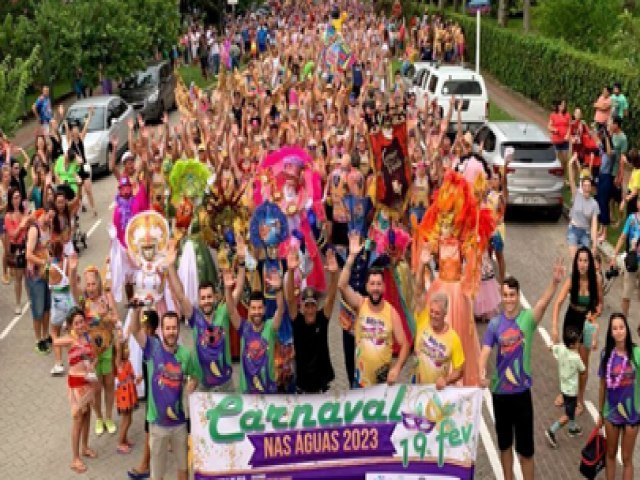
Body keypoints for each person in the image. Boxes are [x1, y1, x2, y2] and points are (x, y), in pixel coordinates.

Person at [479, 259, 565, 480]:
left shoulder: (527, 319)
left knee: (526, 451)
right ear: (501, 296)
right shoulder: (494, 324)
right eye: (505, 295)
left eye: (512, 295)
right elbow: (485, 351)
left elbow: (543, 304)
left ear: (518, 296)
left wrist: (554, 283)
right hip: (500, 395)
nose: (508, 299)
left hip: (521, 396)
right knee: (505, 446)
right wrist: (481, 371)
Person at [166, 238, 245, 392]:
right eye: (203, 298)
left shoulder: (223, 313)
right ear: (199, 300)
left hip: (226, 386)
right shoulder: (195, 317)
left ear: (215, 297)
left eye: (209, 297)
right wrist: (170, 266)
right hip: (203, 388)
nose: (206, 301)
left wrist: (242, 263)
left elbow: (239, 288)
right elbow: (180, 295)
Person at [128, 306, 197, 480]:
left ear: (178, 330)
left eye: (174, 328)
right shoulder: (153, 348)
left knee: (183, 469)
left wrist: (192, 383)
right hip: (157, 425)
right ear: (162, 330)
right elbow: (135, 330)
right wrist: (136, 311)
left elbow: (194, 376)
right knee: (157, 474)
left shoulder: (185, 355)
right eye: (168, 328)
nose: (171, 332)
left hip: (180, 424)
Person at [338, 232, 410, 388]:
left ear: (384, 287)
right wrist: (351, 257)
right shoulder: (360, 304)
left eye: (379, 284)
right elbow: (342, 285)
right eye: (372, 284)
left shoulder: (392, 313)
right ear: (366, 287)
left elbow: (405, 344)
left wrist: (397, 368)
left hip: (382, 386)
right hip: (360, 383)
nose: (376, 288)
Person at [551, 246, 602, 415]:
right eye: (580, 260)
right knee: (567, 359)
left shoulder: (597, 281)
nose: (582, 264)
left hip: (586, 324)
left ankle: (579, 399)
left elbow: (600, 304)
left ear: (590, 263)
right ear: (576, 262)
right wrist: (554, 326)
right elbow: (558, 303)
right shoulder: (572, 280)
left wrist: (594, 316)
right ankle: (565, 393)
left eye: (586, 260)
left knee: (583, 365)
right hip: (571, 321)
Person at [285, 246, 339, 393]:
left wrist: (334, 275)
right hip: (302, 385)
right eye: (306, 306)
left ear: (317, 306)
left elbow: (331, 298)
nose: (309, 310)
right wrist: (290, 271)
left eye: (312, 306)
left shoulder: (322, 319)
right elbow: (290, 299)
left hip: (321, 384)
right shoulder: (298, 321)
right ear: (302, 306)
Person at [224, 266, 285, 394]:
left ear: (264, 309)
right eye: (253, 308)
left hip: (269, 392)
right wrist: (228, 290)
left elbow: (280, 311)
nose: (257, 312)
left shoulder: (270, 327)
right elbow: (230, 311)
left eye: (259, 308)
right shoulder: (244, 328)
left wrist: (279, 289)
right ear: (249, 310)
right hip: (247, 393)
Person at [53, 308, 98, 474]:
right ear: (71, 325)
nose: (80, 325)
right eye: (76, 323)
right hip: (76, 385)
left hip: (88, 383)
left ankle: (85, 447)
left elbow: (95, 355)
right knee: (78, 419)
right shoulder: (70, 340)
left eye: (82, 321)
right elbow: (55, 341)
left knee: (87, 416)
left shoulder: (88, 337)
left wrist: (93, 364)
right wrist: (54, 330)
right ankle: (74, 458)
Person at [597, 313, 640, 480]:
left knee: (627, 458)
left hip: (632, 415)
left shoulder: (636, 353)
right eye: (615, 328)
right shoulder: (606, 355)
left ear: (627, 330)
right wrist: (600, 412)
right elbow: (602, 386)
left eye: (621, 327)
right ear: (610, 332)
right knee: (611, 453)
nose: (619, 331)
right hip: (611, 414)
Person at [412, 292, 464, 388]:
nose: (433, 315)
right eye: (431, 311)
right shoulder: (423, 320)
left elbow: (460, 370)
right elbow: (418, 292)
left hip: (437, 392)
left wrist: (446, 380)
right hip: (416, 386)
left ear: (445, 313)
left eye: (437, 313)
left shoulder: (453, 338)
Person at [545, 326, 586, 448]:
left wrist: (552, 345)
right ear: (573, 345)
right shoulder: (576, 358)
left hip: (563, 387)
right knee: (569, 413)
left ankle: (572, 428)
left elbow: (551, 347)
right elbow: (583, 370)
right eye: (578, 342)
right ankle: (552, 430)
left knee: (571, 408)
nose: (579, 344)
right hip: (572, 391)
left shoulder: (561, 348)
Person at [610, 196, 640, 319]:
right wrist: (614, 256)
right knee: (626, 294)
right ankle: (625, 319)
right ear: (638, 204)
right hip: (632, 261)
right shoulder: (632, 219)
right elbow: (623, 237)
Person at [48, 240, 75, 375]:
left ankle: (58, 363)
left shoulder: (52, 268)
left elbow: (50, 285)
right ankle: (75, 360)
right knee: (72, 332)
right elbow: (71, 279)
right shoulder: (67, 262)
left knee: (54, 333)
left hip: (58, 303)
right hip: (69, 301)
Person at [567, 155, 599, 259]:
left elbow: (594, 225)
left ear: (591, 188)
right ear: (582, 186)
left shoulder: (594, 204)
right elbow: (571, 179)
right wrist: (570, 163)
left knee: (585, 260)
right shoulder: (576, 194)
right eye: (584, 185)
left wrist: (594, 244)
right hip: (573, 230)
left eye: (588, 185)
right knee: (574, 259)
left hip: (585, 232)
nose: (586, 187)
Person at [4, 187, 30, 317]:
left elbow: (30, 225)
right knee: (18, 277)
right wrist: (22, 225)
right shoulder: (8, 216)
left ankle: (31, 299)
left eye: (19, 197)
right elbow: (13, 235)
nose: (17, 200)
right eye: (14, 197)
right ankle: (18, 303)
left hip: (27, 245)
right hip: (17, 248)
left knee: (29, 275)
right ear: (10, 199)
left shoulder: (23, 211)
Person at [114, 331, 139, 455]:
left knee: (129, 419)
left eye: (128, 349)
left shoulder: (128, 362)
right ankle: (120, 442)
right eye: (125, 350)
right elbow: (118, 351)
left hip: (129, 393)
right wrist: (119, 342)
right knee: (126, 419)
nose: (128, 351)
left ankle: (124, 439)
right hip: (124, 395)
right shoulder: (119, 364)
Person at [548, 99, 571, 179]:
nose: (563, 106)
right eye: (561, 105)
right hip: (556, 140)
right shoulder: (553, 115)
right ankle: (555, 175)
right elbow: (549, 126)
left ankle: (563, 176)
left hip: (565, 141)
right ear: (558, 106)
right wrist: (554, 129)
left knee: (565, 160)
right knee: (556, 159)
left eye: (564, 105)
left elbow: (569, 126)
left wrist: (568, 134)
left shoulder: (567, 115)